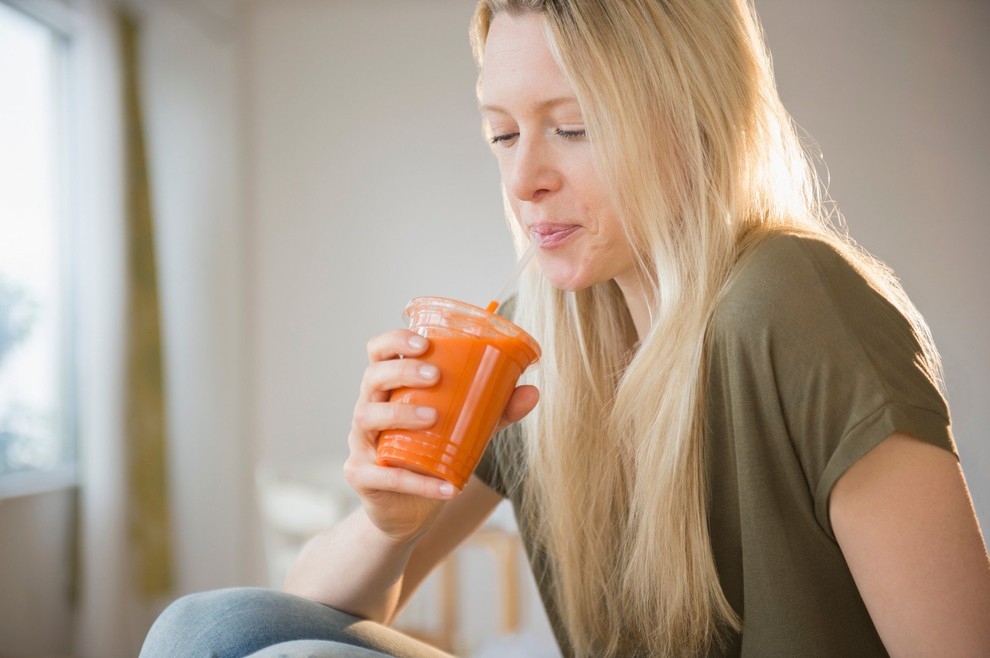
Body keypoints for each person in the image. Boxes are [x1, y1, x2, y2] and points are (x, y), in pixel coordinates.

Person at [141, 0, 990, 656]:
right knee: (206, 631)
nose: (524, 178)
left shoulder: (790, 301)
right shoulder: (536, 344)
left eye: (573, 127)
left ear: (693, 115)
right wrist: (384, 523)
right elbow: (302, 611)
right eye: (501, 134)